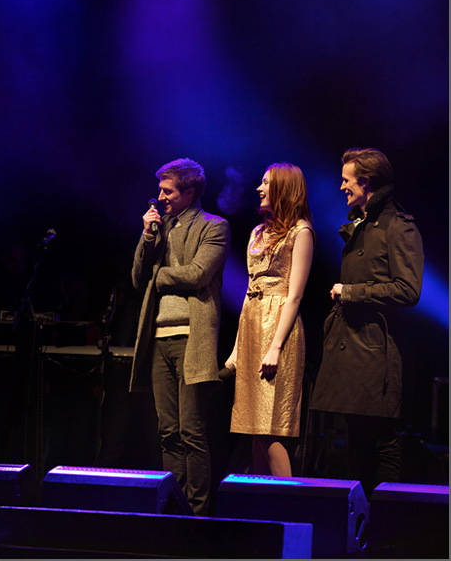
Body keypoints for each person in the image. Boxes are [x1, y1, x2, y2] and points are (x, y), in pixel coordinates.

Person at [310, 148, 424, 498]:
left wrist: (351, 292)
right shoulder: (365, 223)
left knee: (381, 442)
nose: (342, 186)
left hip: (375, 351)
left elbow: (409, 290)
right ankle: (356, 526)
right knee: (355, 442)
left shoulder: (397, 226)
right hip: (351, 344)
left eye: (347, 180)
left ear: (366, 181)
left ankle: (382, 529)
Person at [129, 158, 230, 515]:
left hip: (192, 338)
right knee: (167, 430)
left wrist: (161, 277)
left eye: (167, 191)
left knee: (192, 431)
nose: (160, 197)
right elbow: (138, 278)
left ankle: (199, 512)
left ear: (189, 192)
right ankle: (173, 508)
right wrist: (147, 237)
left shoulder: (213, 226)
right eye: (160, 190)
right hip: (159, 338)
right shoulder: (159, 227)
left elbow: (198, 274)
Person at [225, 163, 314, 476]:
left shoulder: (300, 232)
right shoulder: (257, 232)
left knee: (269, 427)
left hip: (279, 328)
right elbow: (250, 293)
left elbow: (295, 295)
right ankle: (264, 506)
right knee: (254, 425)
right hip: (252, 325)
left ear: (283, 190)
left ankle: (288, 506)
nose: (259, 189)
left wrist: (275, 346)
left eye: (266, 183)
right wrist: (237, 349)